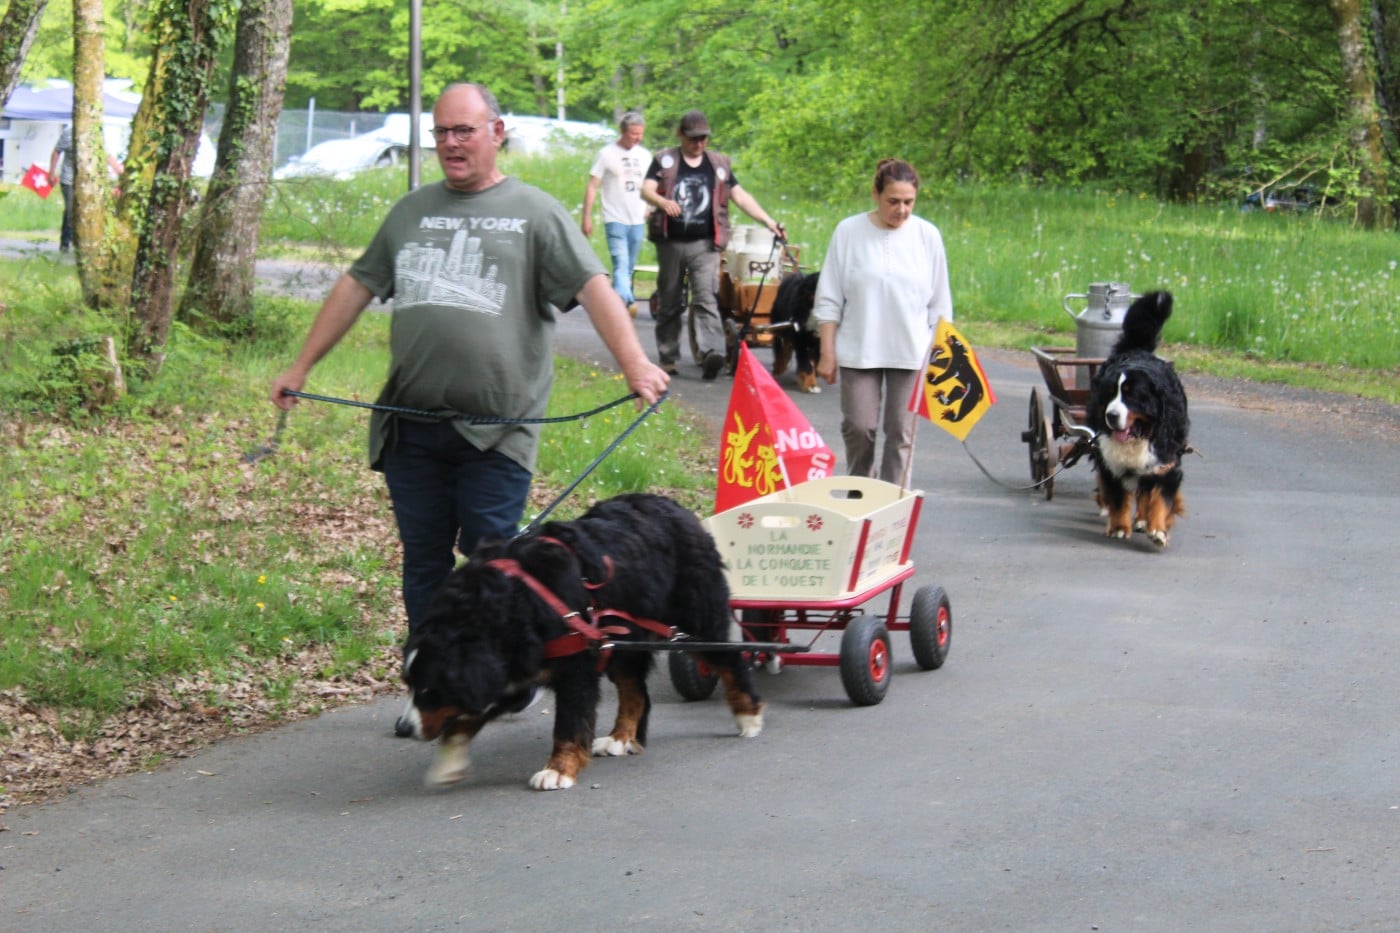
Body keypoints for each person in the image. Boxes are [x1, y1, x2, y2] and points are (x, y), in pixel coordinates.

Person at [269, 82, 669, 732]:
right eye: (442, 132)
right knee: (424, 564)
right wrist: (300, 365)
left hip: (499, 433)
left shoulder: (535, 212)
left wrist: (635, 363)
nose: (452, 143)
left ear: (496, 131)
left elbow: (594, 286)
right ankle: (431, 685)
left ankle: (505, 677)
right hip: (413, 428)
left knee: (495, 564)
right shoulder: (411, 212)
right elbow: (356, 285)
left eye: (465, 130)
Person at [813, 158, 952, 487]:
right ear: (875, 194)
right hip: (859, 350)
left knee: (901, 433)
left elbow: (940, 304)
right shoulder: (849, 232)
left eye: (908, 202)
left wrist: (939, 355)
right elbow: (829, 298)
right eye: (893, 201)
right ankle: (862, 493)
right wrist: (827, 352)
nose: (901, 210)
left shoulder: (927, 236)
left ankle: (893, 509)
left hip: (911, 351)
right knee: (859, 428)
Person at [641, 109, 783, 380]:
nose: (699, 144)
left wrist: (768, 221)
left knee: (706, 297)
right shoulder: (665, 160)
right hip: (671, 242)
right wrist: (661, 202)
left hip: (705, 244)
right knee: (670, 299)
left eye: (703, 138)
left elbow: (740, 197)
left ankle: (712, 353)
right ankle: (668, 357)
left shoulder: (718, 165)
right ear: (680, 135)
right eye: (693, 138)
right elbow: (646, 189)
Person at [581, 111, 651, 317]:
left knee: (628, 267)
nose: (637, 138)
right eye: (633, 134)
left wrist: (651, 207)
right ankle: (626, 304)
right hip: (615, 218)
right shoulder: (606, 154)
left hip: (638, 218)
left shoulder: (644, 155)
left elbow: (651, 185)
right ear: (623, 132)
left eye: (640, 134)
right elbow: (593, 185)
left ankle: (618, 301)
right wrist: (586, 216)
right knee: (620, 264)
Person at [47, 124, 76, 252]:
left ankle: (78, 240)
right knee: (70, 210)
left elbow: (106, 155)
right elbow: (56, 151)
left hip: (85, 180)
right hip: (68, 179)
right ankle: (65, 243)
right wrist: (51, 173)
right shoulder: (68, 133)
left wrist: (118, 169)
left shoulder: (95, 134)